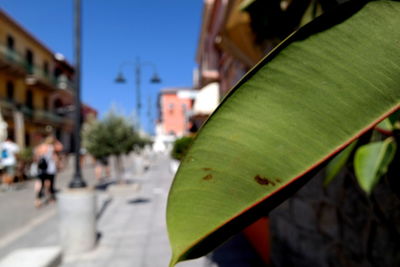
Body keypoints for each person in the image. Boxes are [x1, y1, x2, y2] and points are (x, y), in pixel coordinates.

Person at [34, 135, 63, 207]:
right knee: (50, 183)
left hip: (41, 169)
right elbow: (60, 148)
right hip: (50, 168)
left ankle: (38, 199)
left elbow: (36, 158)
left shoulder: (39, 147)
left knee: (40, 182)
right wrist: (59, 164)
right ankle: (51, 197)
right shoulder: (51, 147)